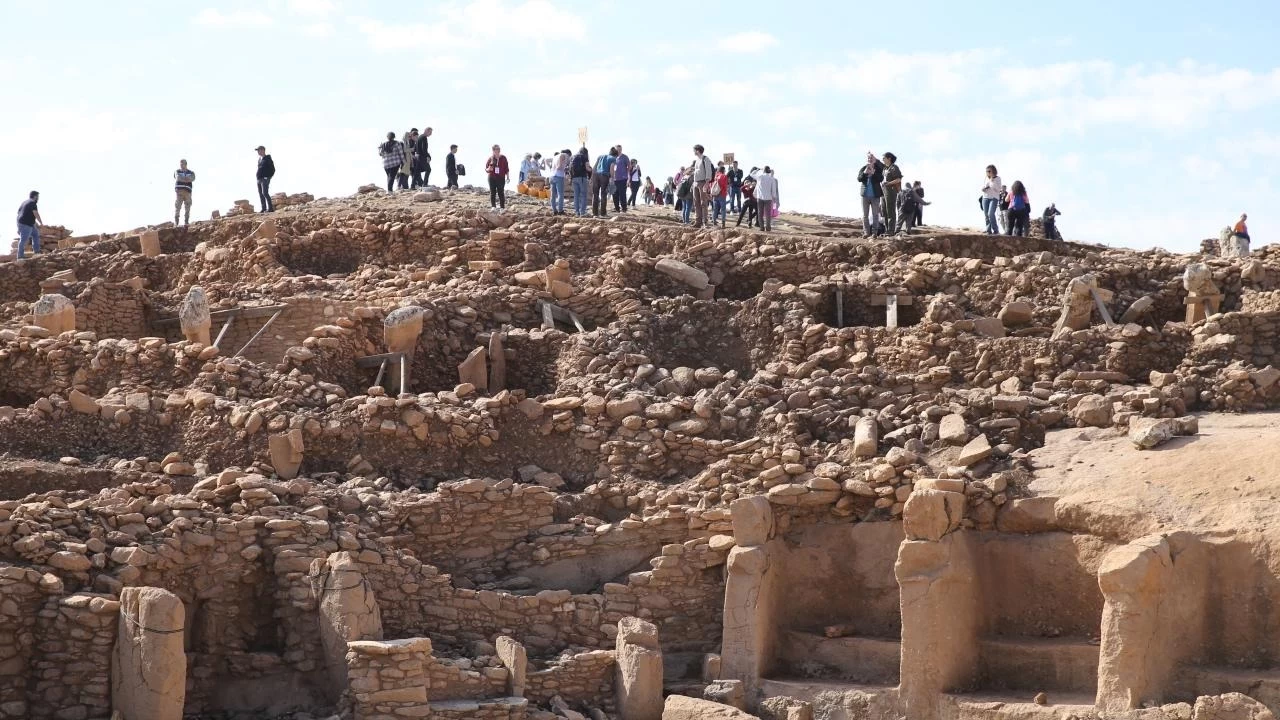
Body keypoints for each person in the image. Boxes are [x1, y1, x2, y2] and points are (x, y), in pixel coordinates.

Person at [857, 152, 884, 237]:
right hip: (865, 195)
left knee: (875, 215)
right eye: (868, 159)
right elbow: (859, 179)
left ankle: (874, 233)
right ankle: (866, 233)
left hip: (875, 196)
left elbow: (881, 178)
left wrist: (873, 173)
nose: (869, 160)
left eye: (871, 159)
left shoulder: (878, 169)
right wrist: (865, 173)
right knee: (865, 215)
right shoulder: (863, 168)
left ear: (874, 160)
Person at [691, 144, 716, 228]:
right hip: (696, 183)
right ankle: (698, 221)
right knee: (696, 203)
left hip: (702, 183)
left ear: (697, 150)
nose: (693, 152)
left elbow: (709, 172)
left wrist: (707, 183)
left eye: (694, 150)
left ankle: (705, 222)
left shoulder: (706, 159)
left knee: (703, 202)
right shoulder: (697, 160)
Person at [15, 191, 42, 259]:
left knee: (35, 234)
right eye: (38, 197)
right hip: (25, 224)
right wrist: (41, 223)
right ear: (35, 196)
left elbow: (20, 213)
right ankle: (20, 256)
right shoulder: (32, 203)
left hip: (28, 223)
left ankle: (37, 252)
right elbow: (35, 213)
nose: (38, 198)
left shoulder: (25, 202)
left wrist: (34, 223)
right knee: (24, 239)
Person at [591, 147, 617, 218]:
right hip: (604, 176)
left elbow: (594, 167)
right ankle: (603, 214)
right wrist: (612, 178)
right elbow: (612, 168)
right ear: (616, 155)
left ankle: (595, 214)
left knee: (595, 194)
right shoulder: (613, 158)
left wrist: (591, 177)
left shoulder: (600, 156)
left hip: (596, 175)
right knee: (603, 194)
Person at [881, 152, 902, 234]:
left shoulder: (894, 167)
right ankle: (887, 230)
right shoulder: (885, 168)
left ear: (889, 158)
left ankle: (891, 231)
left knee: (890, 211)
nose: (883, 159)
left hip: (891, 192)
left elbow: (898, 179)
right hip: (883, 192)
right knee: (884, 211)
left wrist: (888, 183)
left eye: (884, 158)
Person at [755, 166, 779, 232]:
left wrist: (759, 169)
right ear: (769, 171)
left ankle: (761, 227)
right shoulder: (771, 179)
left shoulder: (759, 177)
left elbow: (751, 174)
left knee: (760, 213)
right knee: (768, 214)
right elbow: (773, 190)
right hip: (768, 198)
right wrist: (774, 198)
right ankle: (768, 228)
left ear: (763, 170)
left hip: (760, 198)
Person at [485, 144, 509, 210]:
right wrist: (489, 169)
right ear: (493, 150)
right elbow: (486, 169)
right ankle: (493, 206)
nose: (497, 150)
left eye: (498, 149)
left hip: (501, 178)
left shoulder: (503, 158)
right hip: (492, 177)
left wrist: (508, 177)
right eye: (496, 149)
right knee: (492, 192)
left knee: (501, 192)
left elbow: (506, 168)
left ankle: (502, 207)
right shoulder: (490, 158)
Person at [174, 159, 195, 226]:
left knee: (188, 206)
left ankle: (186, 221)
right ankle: (176, 222)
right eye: (181, 164)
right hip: (179, 191)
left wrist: (184, 178)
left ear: (186, 164)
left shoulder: (191, 172)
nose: (182, 165)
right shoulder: (177, 171)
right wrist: (186, 179)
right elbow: (178, 178)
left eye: (183, 164)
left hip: (188, 192)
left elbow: (192, 178)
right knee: (178, 206)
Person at [570, 147, 591, 217]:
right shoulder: (584, 157)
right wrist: (591, 170)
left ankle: (576, 212)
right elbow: (587, 168)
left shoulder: (573, 157)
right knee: (583, 195)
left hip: (574, 178)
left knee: (576, 195)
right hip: (582, 177)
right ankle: (583, 212)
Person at [981, 165, 1002, 234]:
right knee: (986, 215)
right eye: (987, 171)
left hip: (994, 198)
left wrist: (992, 181)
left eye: (989, 171)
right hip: (985, 197)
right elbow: (983, 187)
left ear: (993, 171)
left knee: (990, 213)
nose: (988, 173)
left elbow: (998, 189)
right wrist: (983, 188)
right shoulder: (985, 178)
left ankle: (995, 230)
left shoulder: (997, 178)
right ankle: (988, 230)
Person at [255, 146, 275, 212]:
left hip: (265, 179)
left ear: (263, 150)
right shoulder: (259, 159)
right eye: (257, 151)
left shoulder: (267, 158)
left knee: (265, 193)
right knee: (261, 194)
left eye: (259, 150)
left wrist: (268, 177)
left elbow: (273, 169)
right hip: (259, 179)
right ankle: (263, 208)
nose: (258, 152)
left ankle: (270, 208)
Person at [549, 149, 569, 215]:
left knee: (553, 195)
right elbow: (559, 167)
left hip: (552, 176)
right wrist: (565, 168)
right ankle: (560, 210)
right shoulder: (563, 155)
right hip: (558, 176)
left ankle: (554, 210)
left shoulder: (555, 157)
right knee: (560, 194)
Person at [613, 145, 630, 213]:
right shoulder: (613, 157)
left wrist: (628, 177)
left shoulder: (624, 157)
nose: (619, 151)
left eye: (620, 149)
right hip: (614, 179)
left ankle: (624, 209)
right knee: (615, 195)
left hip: (623, 179)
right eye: (617, 149)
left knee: (622, 194)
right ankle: (617, 209)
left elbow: (629, 166)